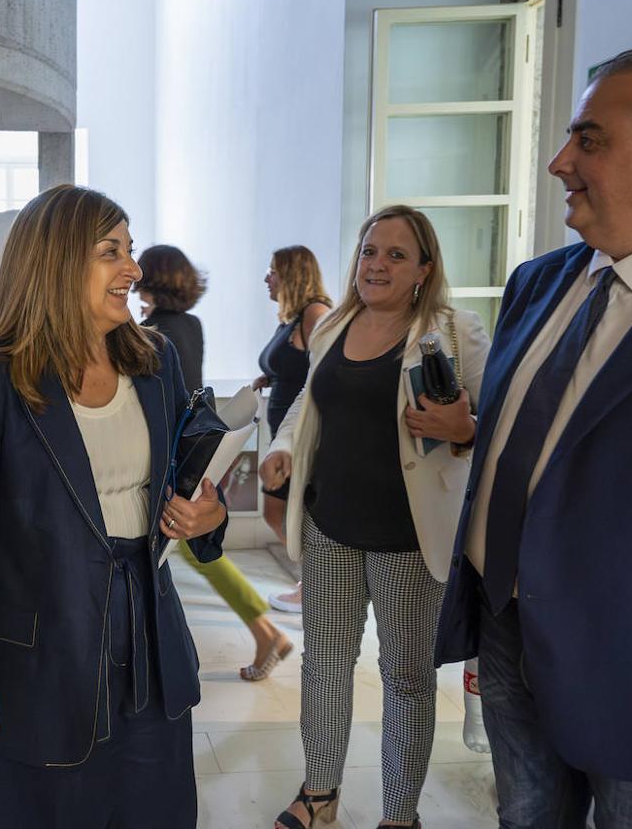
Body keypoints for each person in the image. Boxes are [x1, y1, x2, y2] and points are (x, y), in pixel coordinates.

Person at [0, 185, 228, 829]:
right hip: (39, 652)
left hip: (150, 634)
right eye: (111, 252)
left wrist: (210, 515)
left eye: (131, 250)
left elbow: (188, 481)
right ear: (59, 262)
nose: (134, 269)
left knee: (159, 810)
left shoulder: (154, 359)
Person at [435, 49, 632, 826]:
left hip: (618, 662)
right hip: (507, 627)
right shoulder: (538, 282)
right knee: (525, 815)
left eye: (589, 140)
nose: (558, 162)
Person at [260, 205, 490, 829]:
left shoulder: (454, 330)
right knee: (325, 662)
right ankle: (320, 793)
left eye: (395, 254)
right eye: (368, 251)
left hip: (410, 537)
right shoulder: (335, 323)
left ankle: (399, 813)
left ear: (424, 269)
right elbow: (308, 403)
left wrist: (464, 428)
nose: (377, 264)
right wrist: (282, 449)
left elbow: (493, 427)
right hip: (330, 523)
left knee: (407, 675)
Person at [136, 244, 292, 681]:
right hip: (199, 448)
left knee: (196, 547)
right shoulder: (190, 324)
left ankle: (266, 632)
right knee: (195, 546)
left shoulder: (151, 332)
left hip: (173, 458)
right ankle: (265, 632)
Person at [253, 246, 332, 615]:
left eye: (273, 271)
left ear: (291, 275)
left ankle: (313, 586)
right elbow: (295, 364)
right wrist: (268, 376)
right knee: (275, 511)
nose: (267, 278)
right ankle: (311, 580)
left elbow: (323, 372)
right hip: (282, 432)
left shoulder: (316, 314)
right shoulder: (291, 318)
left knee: (290, 512)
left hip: (303, 438)